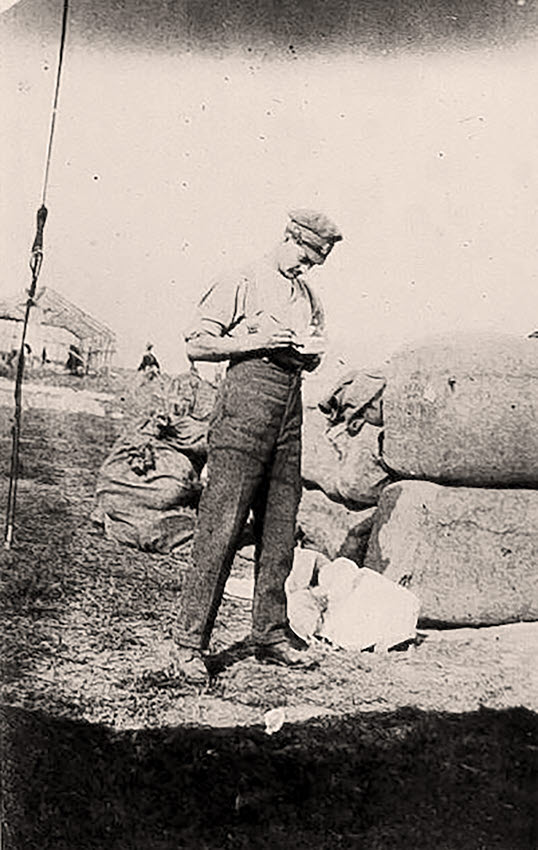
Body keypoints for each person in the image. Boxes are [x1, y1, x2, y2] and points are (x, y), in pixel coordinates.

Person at [173, 209, 343, 683]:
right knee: (222, 527)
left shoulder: (307, 295)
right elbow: (197, 343)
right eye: (307, 256)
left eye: (318, 262)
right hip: (245, 405)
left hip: (289, 409)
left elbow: (313, 350)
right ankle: (189, 642)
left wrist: (310, 354)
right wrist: (258, 339)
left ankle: (270, 632)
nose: (309, 268)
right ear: (290, 237)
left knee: (280, 529)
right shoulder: (242, 278)